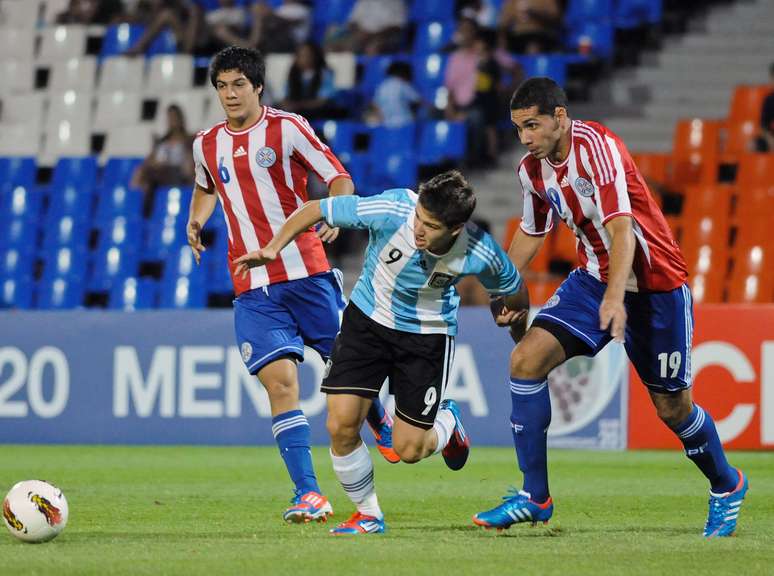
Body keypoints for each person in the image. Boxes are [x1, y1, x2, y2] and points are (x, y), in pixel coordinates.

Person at [472, 77, 748, 538]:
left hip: (656, 286)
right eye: (519, 128)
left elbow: (622, 230)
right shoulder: (532, 170)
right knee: (525, 360)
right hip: (594, 279)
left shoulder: (598, 148)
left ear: (560, 117)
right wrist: (503, 286)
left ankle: (727, 484)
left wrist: (618, 299)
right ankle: (534, 497)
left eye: (533, 126)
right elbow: (532, 231)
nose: (526, 138)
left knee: (673, 409)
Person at [233, 170, 527, 535]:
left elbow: (514, 290)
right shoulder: (392, 207)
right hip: (367, 320)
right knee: (340, 425)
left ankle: (448, 425)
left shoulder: (479, 251)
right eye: (419, 217)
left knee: (409, 449)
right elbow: (315, 209)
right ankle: (368, 514)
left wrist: (518, 331)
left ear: (455, 229)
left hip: (426, 335)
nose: (419, 229)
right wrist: (274, 247)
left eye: (431, 226)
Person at [186, 46, 396, 525]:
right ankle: (309, 494)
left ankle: (379, 421)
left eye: (239, 84)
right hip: (252, 286)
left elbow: (337, 177)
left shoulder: (288, 128)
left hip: (308, 275)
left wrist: (338, 216)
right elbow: (205, 186)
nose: (230, 94)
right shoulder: (206, 143)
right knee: (280, 384)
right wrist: (195, 222)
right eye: (222, 86)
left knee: (348, 370)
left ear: (258, 86)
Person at [131, 104, 195, 216]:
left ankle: (145, 211)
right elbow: (149, 162)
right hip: (160, 174)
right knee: (145, 174)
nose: (172, 121)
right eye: (170, 118)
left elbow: (189, 166)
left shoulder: (188, 141)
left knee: (153, 176)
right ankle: (141, 211)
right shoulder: (161, 142)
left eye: (174, 117)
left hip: (178, 175)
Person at [282, 42, 338, 121]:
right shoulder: (293, 75)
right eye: (301, 56)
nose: (304, 59)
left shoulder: (324, 75)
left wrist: (300, 105)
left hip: (315, 111)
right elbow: (285, 96)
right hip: (295, 109)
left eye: (307, 56)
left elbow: (323, 101)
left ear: (315, 57)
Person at [368, 61, 421, 128]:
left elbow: (374, 104)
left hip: (386, 125)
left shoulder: (382, 86)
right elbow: (418, 100)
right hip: (405, 124)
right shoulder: (403, 84)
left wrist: (381, 118)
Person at [759, 62, 774, 152]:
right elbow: (763, 126)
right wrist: (771, 141)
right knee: (753, 145)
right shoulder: (769, 100)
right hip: (771, 139)